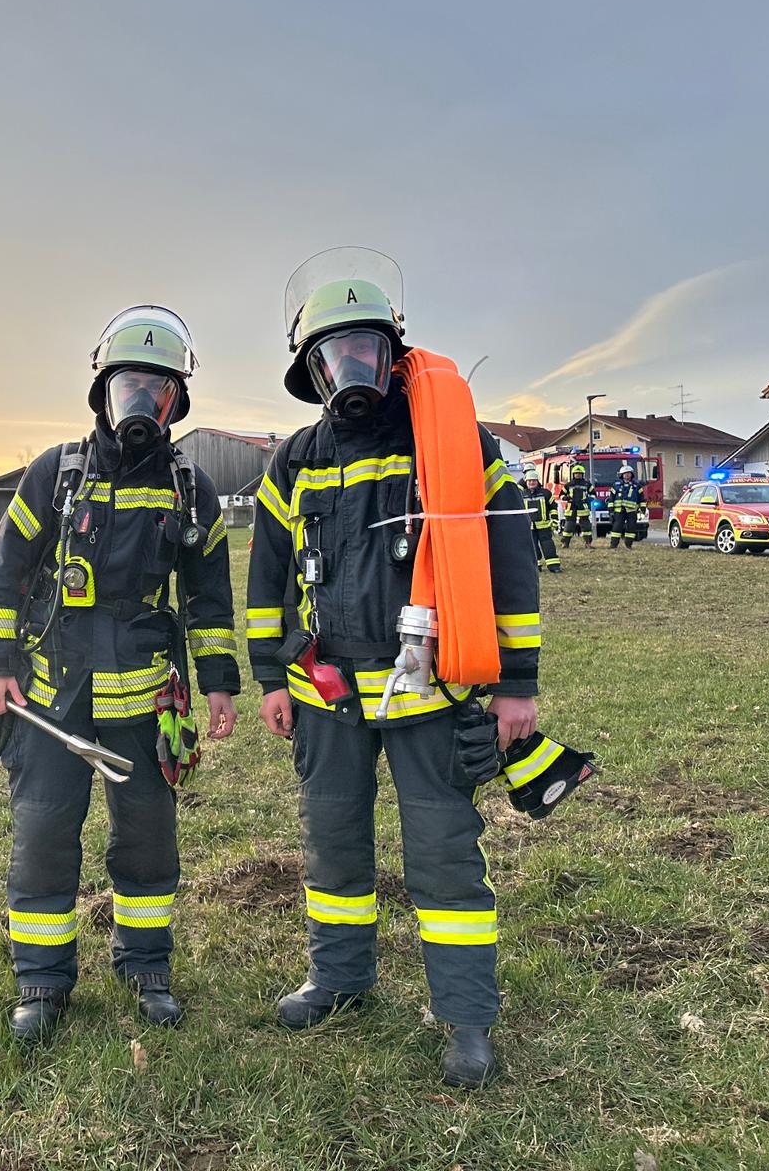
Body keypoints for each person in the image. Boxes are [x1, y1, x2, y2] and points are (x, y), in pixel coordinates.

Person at [247, 252, 540, 1088]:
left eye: (365, 350)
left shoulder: (453, 443)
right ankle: (339, 979)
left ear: (394, 355)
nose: (351, 369)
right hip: (326, 696)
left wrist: (516, 684)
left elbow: (510, 561)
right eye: (333, 355)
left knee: (444, 856)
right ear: (312, 369)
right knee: (333, 846)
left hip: (431, 694)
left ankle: (467, 1020)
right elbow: (268, 578)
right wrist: (270, 678)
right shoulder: (294, 460)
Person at [0, 305, 240, 1042]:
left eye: (157, 389)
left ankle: (146, 968)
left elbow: (209, 598)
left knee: (147, 837)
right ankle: (42, 982)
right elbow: (2, 574)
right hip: (51, 697)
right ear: (103, 392)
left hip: (146, 701)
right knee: (44, 833)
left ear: (175, 402)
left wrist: (218, 680)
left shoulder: (192, 490)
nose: (141, 402)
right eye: (129, 386)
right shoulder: (55, 474)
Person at [522, 469, 562, 572]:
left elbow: (553, 507)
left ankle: (554, 566)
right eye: (529, 481)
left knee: (548, 546)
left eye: (534, 480)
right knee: (532, 547)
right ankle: (536, 566)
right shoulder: (522, 494)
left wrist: (554, 520)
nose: (532, 482)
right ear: (526, 482)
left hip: (544, 526)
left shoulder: (546, 493)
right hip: (529, 527)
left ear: (537, 481)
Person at [606, 464, 643, 549]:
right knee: (616, 528)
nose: (627, 475)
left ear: (631, 474)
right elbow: (611, 498)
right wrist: (611, 511)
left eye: (628, 473)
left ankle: (628, 545)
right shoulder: (616, 485)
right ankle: (613, 545)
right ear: (621, 475)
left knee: (631, 528)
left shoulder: (637, 486)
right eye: (625, 473)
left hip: (631, 511)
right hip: (619, 511)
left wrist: (642, 509)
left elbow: (641, 498)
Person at [561, 464, 594, 547]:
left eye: (579, 473)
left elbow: (593, 494)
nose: (578, 475)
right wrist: (566, 498)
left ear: (583, 474)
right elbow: (561, 495)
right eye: (576, 473)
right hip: (571, 507)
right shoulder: (568, 485)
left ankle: (588, 543)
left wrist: (587, 499)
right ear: (573, 474)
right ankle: (565, 543)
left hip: (583, 507)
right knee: (569, 526)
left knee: (586, 526)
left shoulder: (587, 484)